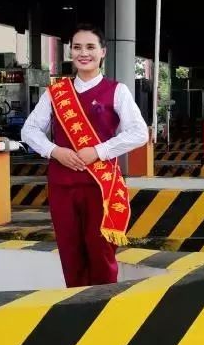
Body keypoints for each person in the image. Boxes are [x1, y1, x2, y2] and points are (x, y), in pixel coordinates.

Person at [22, 24, 149, 287]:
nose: (83, 53)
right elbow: (30, 130)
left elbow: (139, 133)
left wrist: (99, 151)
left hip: (100, 185)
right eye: (77, 47)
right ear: (71, 52)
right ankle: (76, 303)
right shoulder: (56, 93)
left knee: (101, 251)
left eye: (90, 47)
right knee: (70, 252)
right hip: (62, 185)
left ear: (103, 52)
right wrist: (55, 151)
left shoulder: (116, 91)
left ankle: (103, 303)